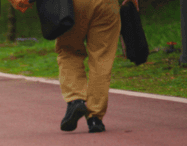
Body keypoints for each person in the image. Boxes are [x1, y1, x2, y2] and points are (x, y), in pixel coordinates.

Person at [10, 0, 138, 133]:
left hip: (75, 4)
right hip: (107, 5)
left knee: (68, 51)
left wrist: (21, 2)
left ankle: (75, 100)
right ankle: (95, 118)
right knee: (102, 59)